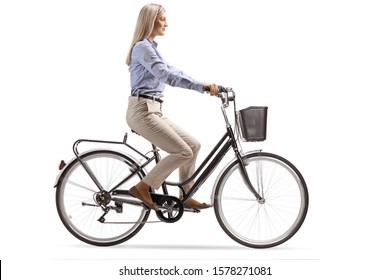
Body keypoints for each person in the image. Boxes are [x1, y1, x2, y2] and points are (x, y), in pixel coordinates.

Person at [125, 3, 219, 211]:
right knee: (183, 151)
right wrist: (201, 87)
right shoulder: (142, 48)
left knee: (193, 146)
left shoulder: (151, 48)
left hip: (153, 110)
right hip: (142, 111)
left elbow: (172, 70)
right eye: (162, 19)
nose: (166, 23)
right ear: (150, 21)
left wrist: (204, 84)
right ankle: (143, 187)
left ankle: (186, 195)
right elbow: (166, 76)